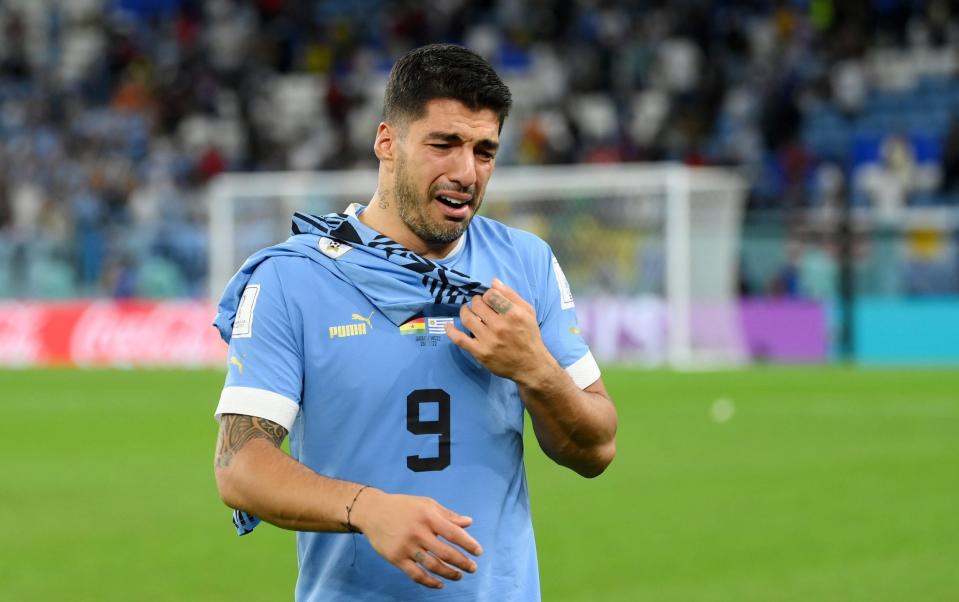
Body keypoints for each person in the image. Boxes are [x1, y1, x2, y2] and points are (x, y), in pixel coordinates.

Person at [212, 43, 618, 601]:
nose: (465, 172)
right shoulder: (292, 278)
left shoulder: (525, 264)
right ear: (387, 142)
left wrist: (536, 370)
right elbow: (239, 465)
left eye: (484, 151)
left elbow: (596, 449)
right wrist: (366, 509)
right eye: (444, 144)